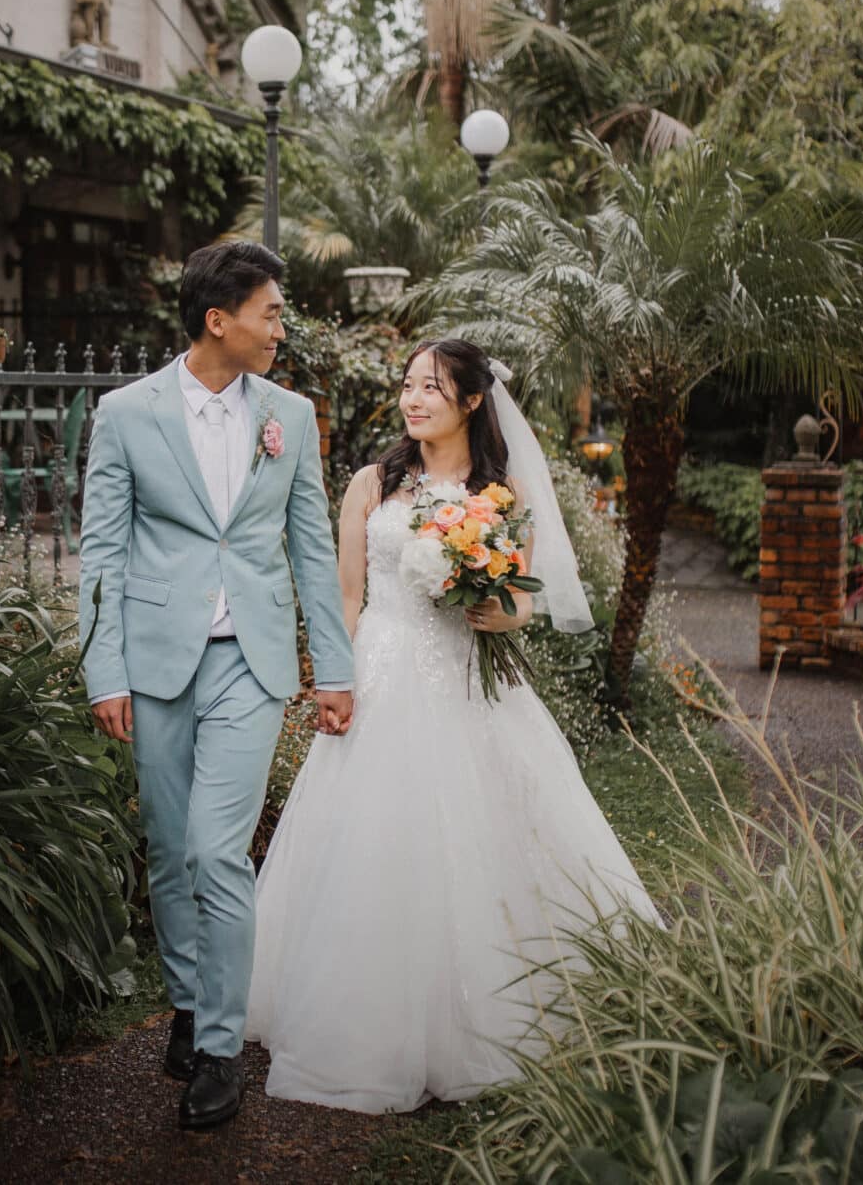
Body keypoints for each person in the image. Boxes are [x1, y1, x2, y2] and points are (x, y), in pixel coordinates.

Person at [244, 337, 666, 1114]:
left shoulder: (501, 497)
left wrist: (494, 608)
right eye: (408, 385)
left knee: (487, 831)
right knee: (370, 836)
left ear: (472, 400)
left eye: (431, 387)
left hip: (469, 679)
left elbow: (520, 606)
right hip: (380, 672)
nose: (413, 399)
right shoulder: (373, 484)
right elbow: (345, 597)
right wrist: (332, 678)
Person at [77, 241, 355, 1130]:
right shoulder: (125, 414)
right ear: (218, 321)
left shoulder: (293, 417)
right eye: (272, 313)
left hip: (254, 660)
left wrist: (335, 669)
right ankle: (191, 1003)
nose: (283, 328)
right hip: (156, 661)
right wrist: (104, 670)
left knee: (214, 851)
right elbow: (102, 552)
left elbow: (311, 547)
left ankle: (221, 1050)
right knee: (166, 850)